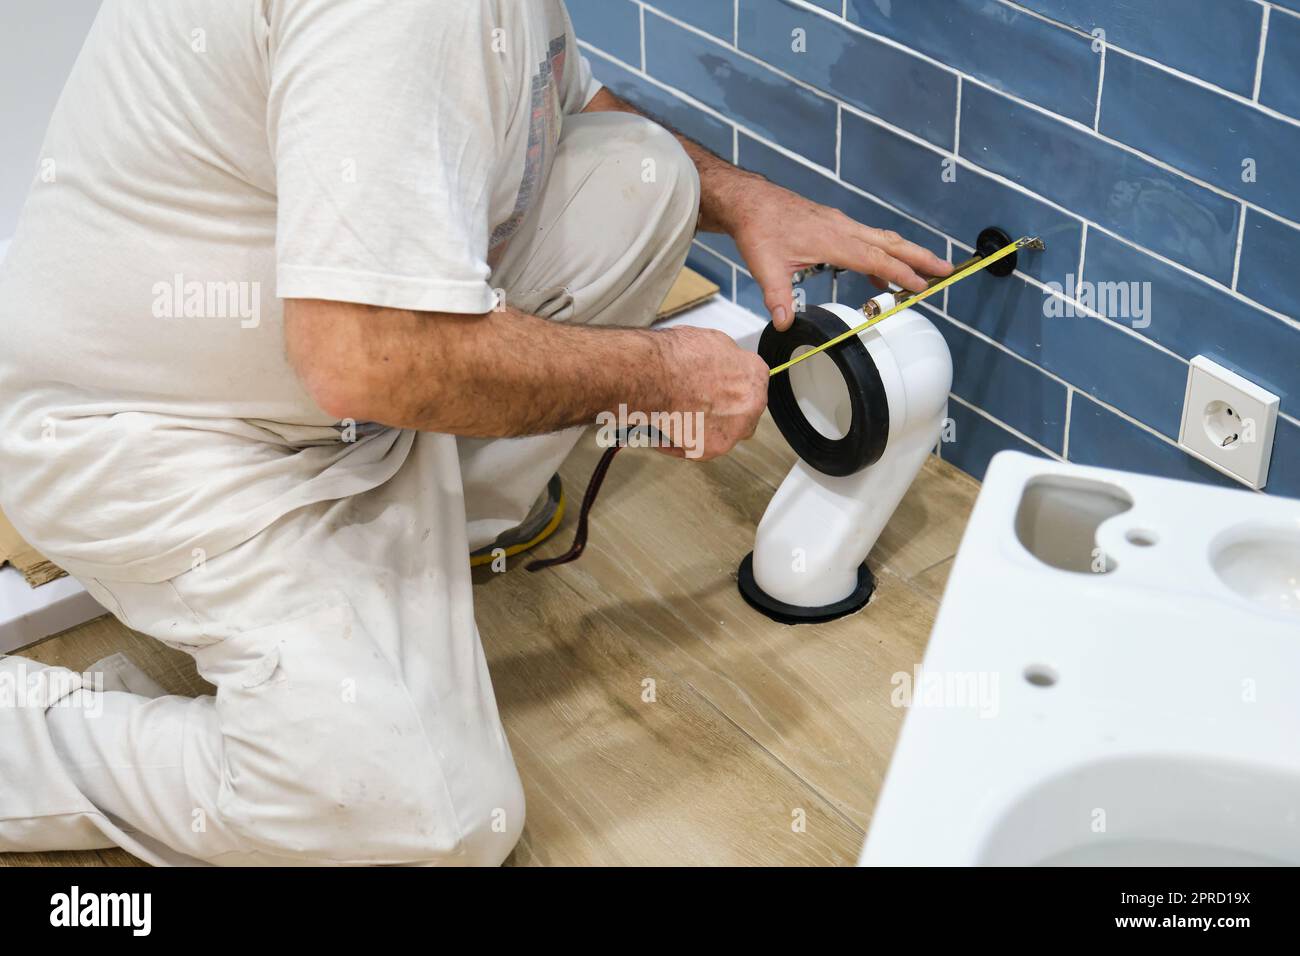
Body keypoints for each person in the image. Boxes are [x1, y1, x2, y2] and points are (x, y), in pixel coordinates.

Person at [0, 0, 951, 865]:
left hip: (328, 393)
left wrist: (744, 197)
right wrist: (664, 371)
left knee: (642, 176)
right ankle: (32, 739)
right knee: (430, 817)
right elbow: (360, 354)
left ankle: (416, 554)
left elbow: (566, 106)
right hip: (159, 438)